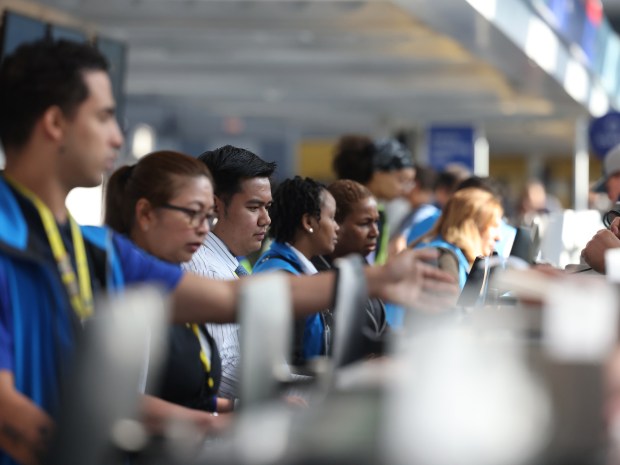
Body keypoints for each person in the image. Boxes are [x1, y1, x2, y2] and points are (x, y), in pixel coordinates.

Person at [0, 39, 455, 465]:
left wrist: (372, 280)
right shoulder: (10, 243)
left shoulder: (91, 248)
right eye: (102, 117)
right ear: (56, 124)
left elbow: (231, 300)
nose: (117, 138)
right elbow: (9, 414)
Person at [104, 150, 232, 435]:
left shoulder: (176, 283)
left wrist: (232, 407)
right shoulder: (122, 291)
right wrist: (214, 423)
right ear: (146, 213)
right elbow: (119, 400)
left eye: (208, 217)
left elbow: (179, 391)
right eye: (192, 214)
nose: (203, 229)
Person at [183, 145, 275, 401]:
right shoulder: (204, 269)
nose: (266, 219)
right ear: (214, 207)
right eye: (254, 207)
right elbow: (221, 370)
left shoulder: (228, 265)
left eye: (267, 207)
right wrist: (288, 390)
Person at [253, 176, 339, 366]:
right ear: (308, 222)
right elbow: (283, 366)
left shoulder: (293, 271)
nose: (337, 227)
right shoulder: (281, 279)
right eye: (332, 218)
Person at [312, 179, 388, 362]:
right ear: (335, 224)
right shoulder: (312, 277)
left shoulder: (361, 270)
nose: (375, 232)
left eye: (376, 222)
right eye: (364, 223)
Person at [333, 135, 415, 265]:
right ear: (378, 174)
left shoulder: (380, 211)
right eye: (401, 180)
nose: (406, 189)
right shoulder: (347, 208)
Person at [410, 188, 503, 289]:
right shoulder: (441, 260)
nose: (499, 237)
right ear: (473, 227)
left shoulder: (453, 257)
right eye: (494, 226)